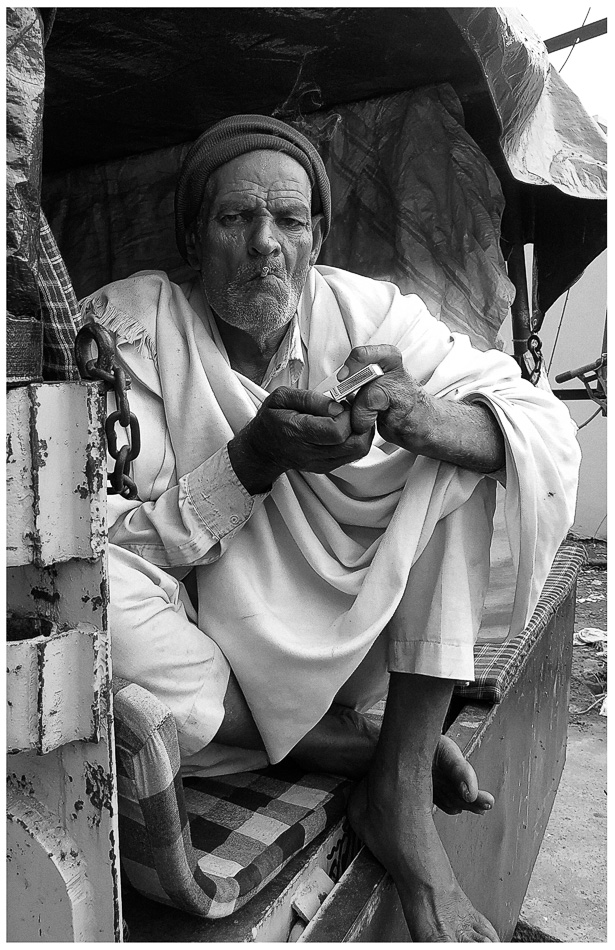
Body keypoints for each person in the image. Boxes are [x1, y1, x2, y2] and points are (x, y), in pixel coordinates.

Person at [80, 115, 580, 941]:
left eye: (286, 220)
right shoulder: (129, 329)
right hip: (205, 655)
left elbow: (538, 425)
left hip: (356, 652)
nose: (264, 244)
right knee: (79, 601)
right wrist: (248, 462)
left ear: (317, 236)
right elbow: (81, 536)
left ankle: (399, 777)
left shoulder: (369, 312)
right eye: (235, 218)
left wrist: (425, 418)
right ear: (193, 237)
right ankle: (351, 752)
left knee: (473, 443)